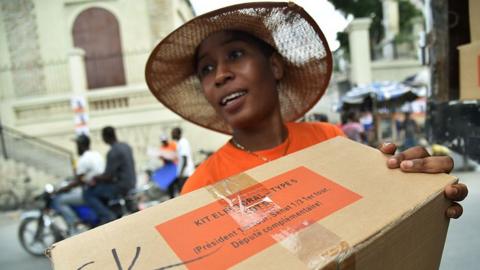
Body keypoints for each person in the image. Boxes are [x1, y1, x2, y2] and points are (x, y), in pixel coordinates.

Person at [145, 2, 467, 219]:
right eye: (206, 69)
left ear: (274, 67)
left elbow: (370, 223)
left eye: (236, 54)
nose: (219, 75)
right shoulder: (200, 187)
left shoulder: (330, 141)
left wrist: (415, 192)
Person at [83, 126, 137, 224]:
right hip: (132, 182)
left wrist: (94, 178)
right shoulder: (126, 146)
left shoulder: (113, 152)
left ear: (105, 137)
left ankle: (107, 216)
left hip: (121, 186)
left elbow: (108, 176)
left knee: (88, 194)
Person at [52, 134, 104, 234]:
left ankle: (74, 226)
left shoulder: (84, 159)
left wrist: (62, 189)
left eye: (77, 145)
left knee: (59, 201)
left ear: (80, 145)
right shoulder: (97, 154)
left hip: (90, 193)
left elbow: (78, 181)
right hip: (99, 190)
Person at [171, 127, 194, 193]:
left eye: (173, 133)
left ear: (178, 134)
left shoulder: (183, 142)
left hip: (186, 173)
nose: (172, 135)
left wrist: (180, 174)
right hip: (184, 173)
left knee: (184, 192)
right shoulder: (179, 143)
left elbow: (185, 159)